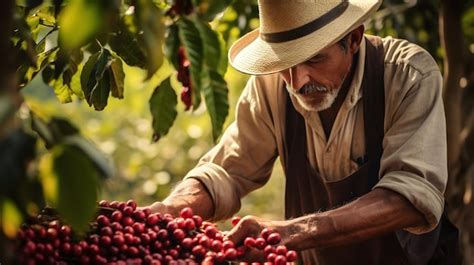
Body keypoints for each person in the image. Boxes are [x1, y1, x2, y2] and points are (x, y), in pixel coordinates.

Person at [147, 0, 460, 264]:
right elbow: (227, 170)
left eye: (314, 59)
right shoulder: (271, 86)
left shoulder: (407, 76)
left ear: (353, 39)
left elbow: (410, 197)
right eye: (285, 63)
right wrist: (172, 210)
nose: (297, 81)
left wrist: (288, 233)